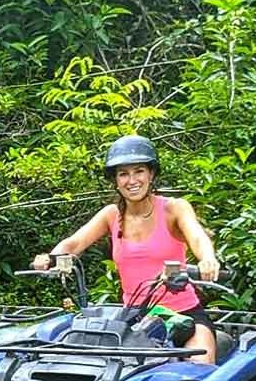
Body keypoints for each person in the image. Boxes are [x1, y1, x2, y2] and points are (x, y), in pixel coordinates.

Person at [32, 134, 222, 363]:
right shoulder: (112, 215)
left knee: (199, 371)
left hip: (183, 316)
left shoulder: (174, 209)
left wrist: (207, 259)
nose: (132, 180)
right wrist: (52, 258)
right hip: (133, 319)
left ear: (151, 174)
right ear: (115, 180)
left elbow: (198, 237)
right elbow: (74, 243)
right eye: (123, 174)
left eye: (139, 171)